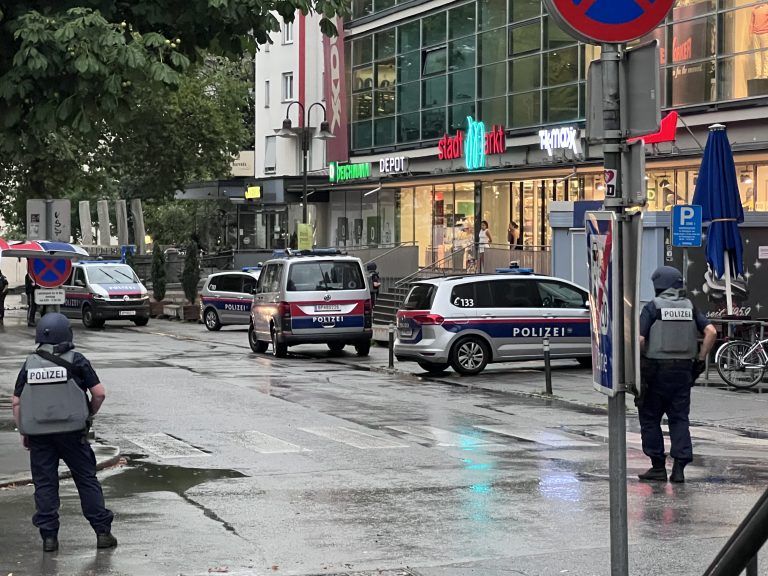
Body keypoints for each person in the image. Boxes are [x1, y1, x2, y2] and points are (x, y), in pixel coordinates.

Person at [11, 313, 117, 552]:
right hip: (73, 434)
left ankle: (49, 539)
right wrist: (88, 413)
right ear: (68, 334)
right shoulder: (77, 359)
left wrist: (24, 430)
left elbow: (16, 401)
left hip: (39, 437)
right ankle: (102, 533)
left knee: (45, 484)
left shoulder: (29, 364)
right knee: (86, 479)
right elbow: (99, 393)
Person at [637, 266, 717, 483]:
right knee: (679, 418)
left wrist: (640, 361)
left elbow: (641, 339)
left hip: (655, 371)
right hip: (683, 371)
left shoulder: (652, 307)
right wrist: (700, 360)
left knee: (650, 418)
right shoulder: (690, 307)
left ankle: (658, 467)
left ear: (658, 286)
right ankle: (679, 469)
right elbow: (711, 332)